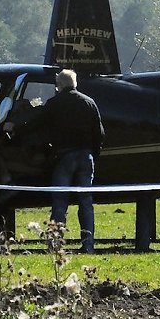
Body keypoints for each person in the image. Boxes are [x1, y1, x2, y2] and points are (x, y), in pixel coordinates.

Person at [41, 69, 104, 253]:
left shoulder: (54, 103)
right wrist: (93, 154)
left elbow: (40, 126)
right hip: (86, 156)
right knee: (86, 202)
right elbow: (99, 133)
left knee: (60, 202)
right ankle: (88, 244)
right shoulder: (89, 102)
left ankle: (56, 244)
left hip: (64, 156)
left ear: (59, 84)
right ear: (75, 83)